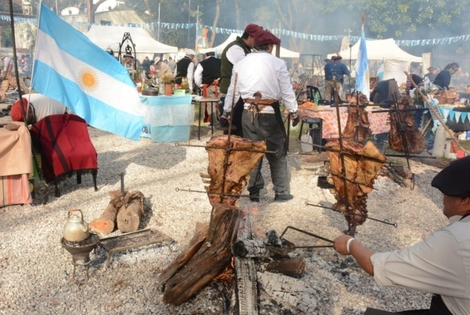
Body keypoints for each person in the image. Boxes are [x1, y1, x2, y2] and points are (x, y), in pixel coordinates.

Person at [333, 156, 470, 314]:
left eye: (446, 193)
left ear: (465, 200)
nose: (443, 199)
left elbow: (377, 266)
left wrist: (350, 244)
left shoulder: (456, 240)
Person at [222, 30, 298, 202]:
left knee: (252, 153)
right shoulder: (277, 63)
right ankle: (281, 192)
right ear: (270, 46)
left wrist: (226, 112)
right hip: (269, 114)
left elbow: (232, 93)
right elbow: (286, 90)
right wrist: (293, 110)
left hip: (248, 113)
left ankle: (254, 192)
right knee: (276, 152)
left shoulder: (241, 63)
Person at [219, 23, 264, 136]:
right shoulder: (236, 48)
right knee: (233, 129)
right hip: (232, 93)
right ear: (249, 37)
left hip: (239, 93)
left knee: (239, 129)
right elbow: (245, 68)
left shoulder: (246, 49)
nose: (258, 42)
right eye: (256, 38)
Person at [194, 50, 221, 125]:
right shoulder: (221, 62)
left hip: (209, 86)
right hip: (219, 85)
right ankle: (221, 120)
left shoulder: (203, 63)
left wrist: (200, 85)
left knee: (210, 104)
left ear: (206, 54)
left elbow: (197, 75)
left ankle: (214, 122)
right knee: (220, 103)